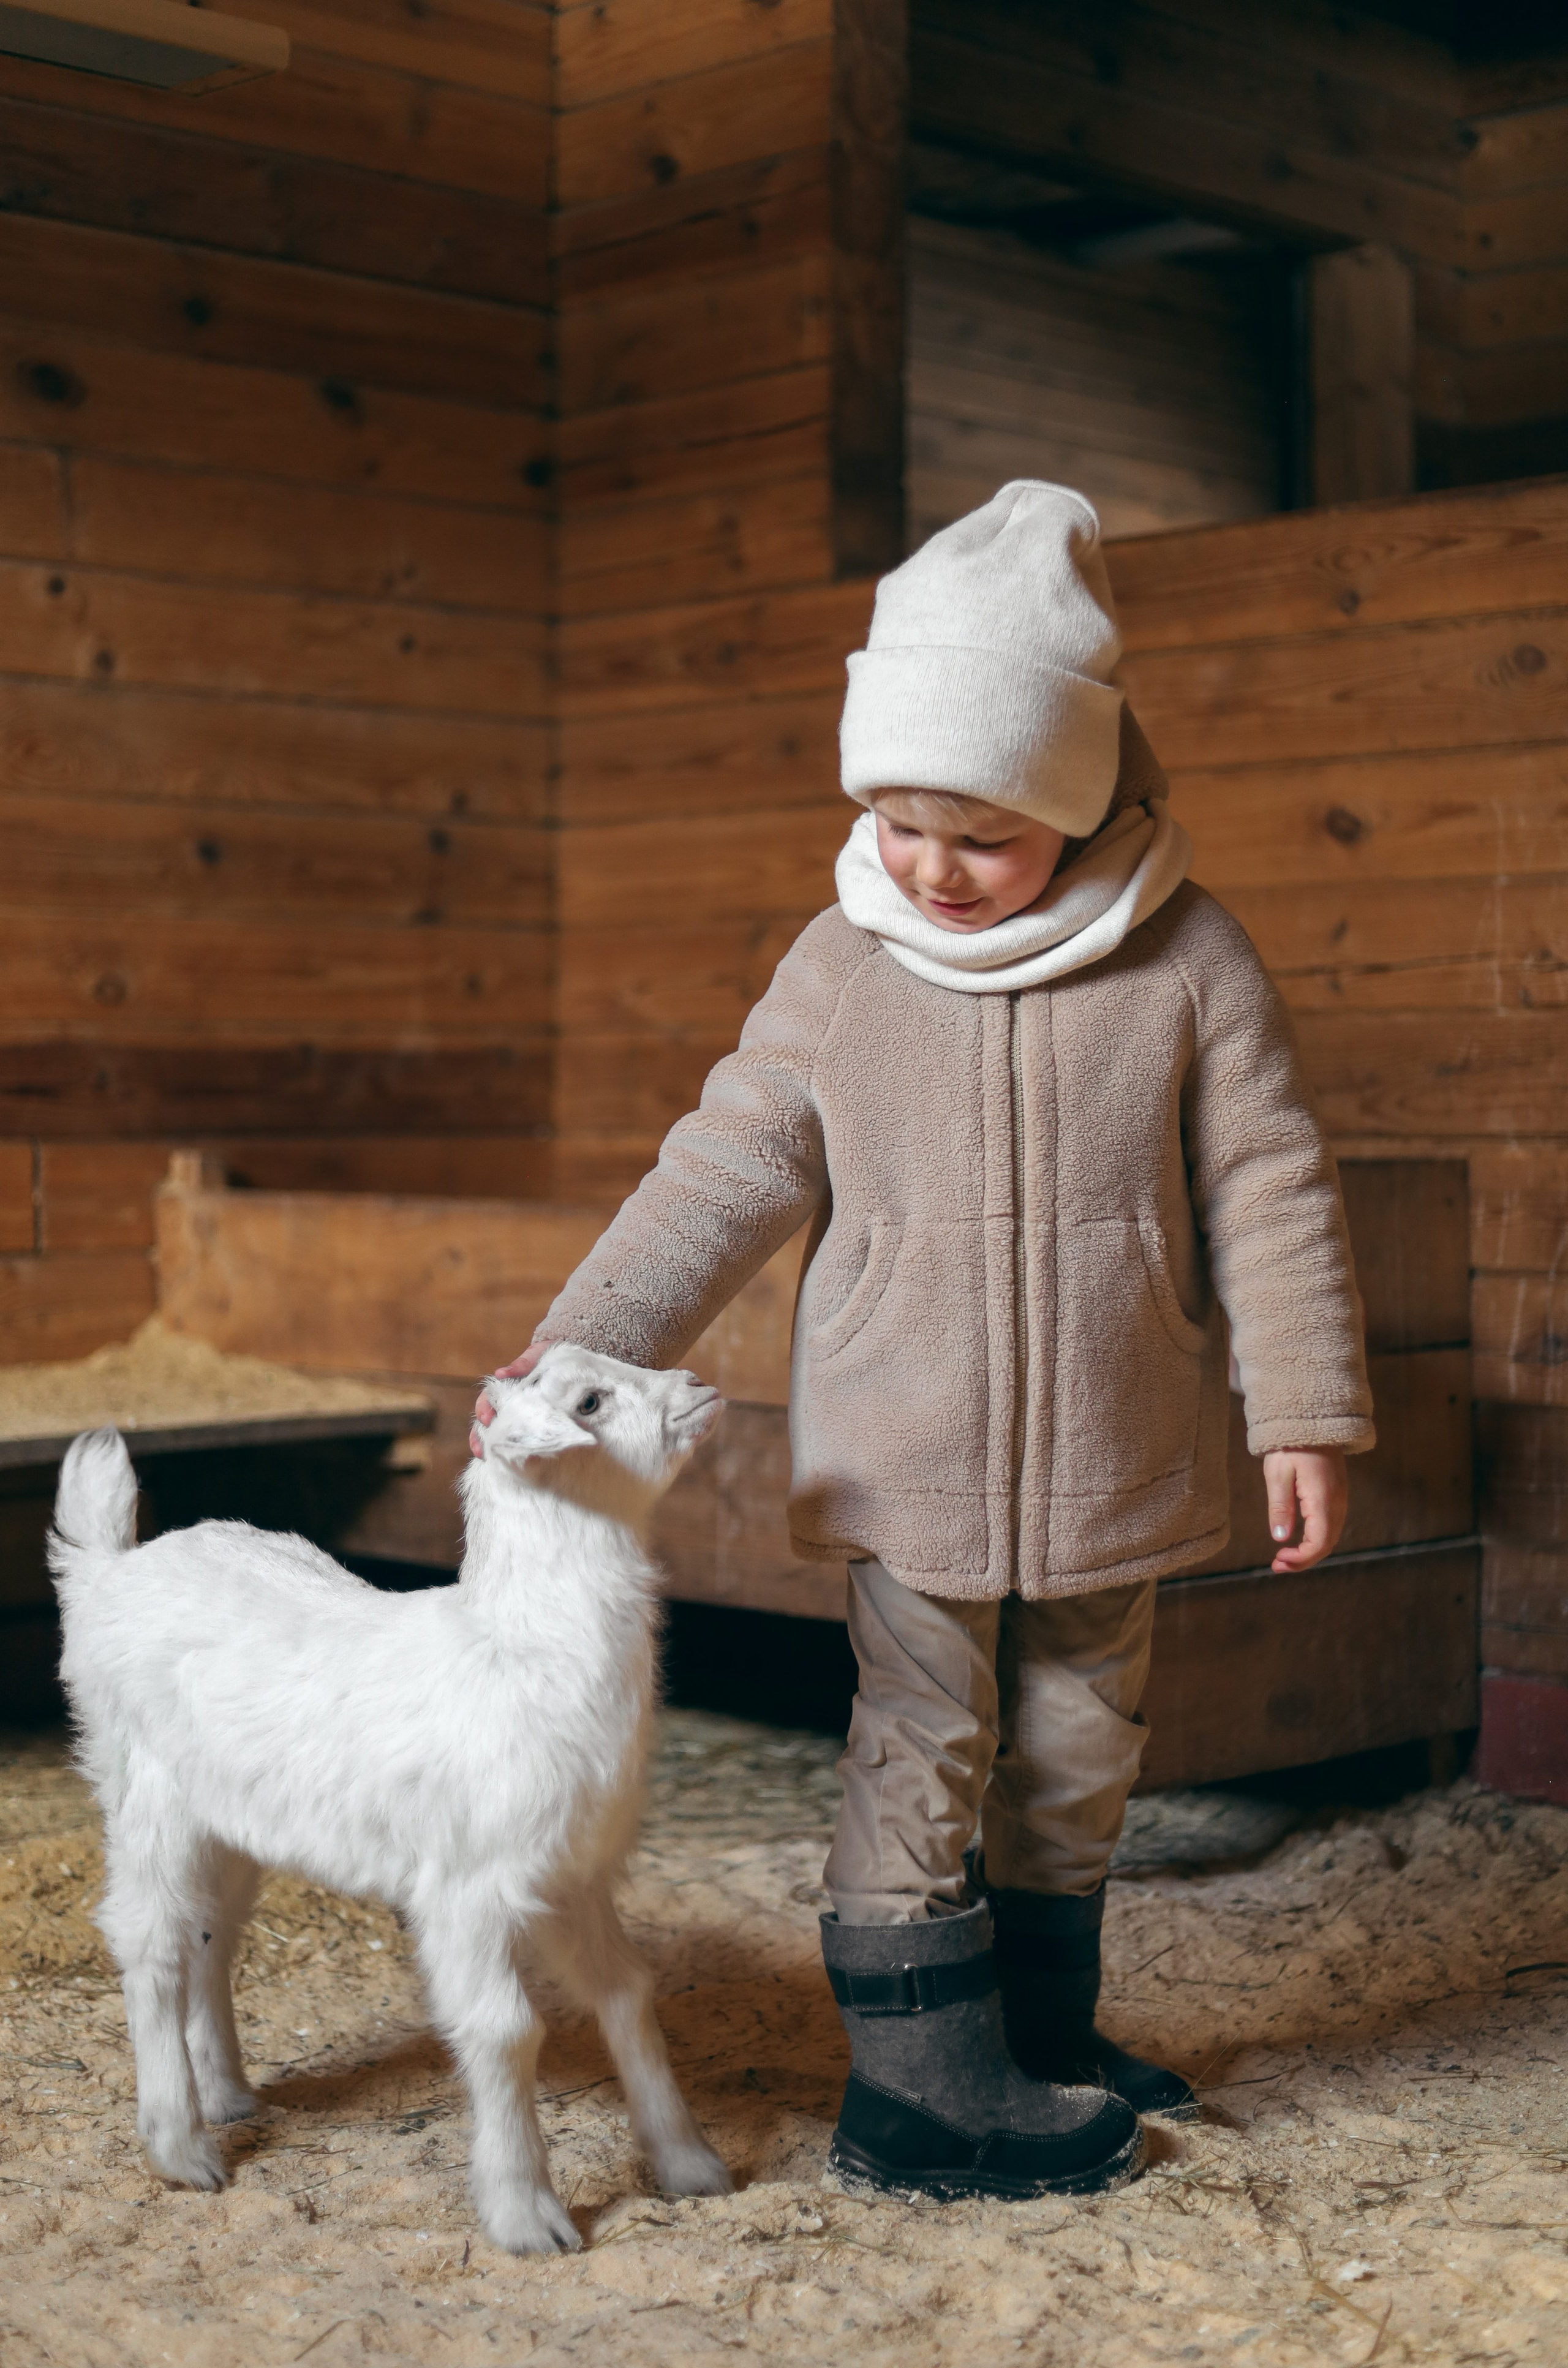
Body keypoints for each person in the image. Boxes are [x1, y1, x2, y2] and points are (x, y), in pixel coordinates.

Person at [474, 481, 1374, 2203]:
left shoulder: (1187, 958)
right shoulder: (843, 967)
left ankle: (1038, 2027)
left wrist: (1303, 1414)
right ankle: (914, 2086)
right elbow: (720, 1171)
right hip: (909, 1447)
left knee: (1084, 1742)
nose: (932, 870)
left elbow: (1271, 1183)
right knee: (922, 1735)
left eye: (983, 832)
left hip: (1122, 1444)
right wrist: (570, 1354)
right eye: (896, 820)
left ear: (1086, 789)